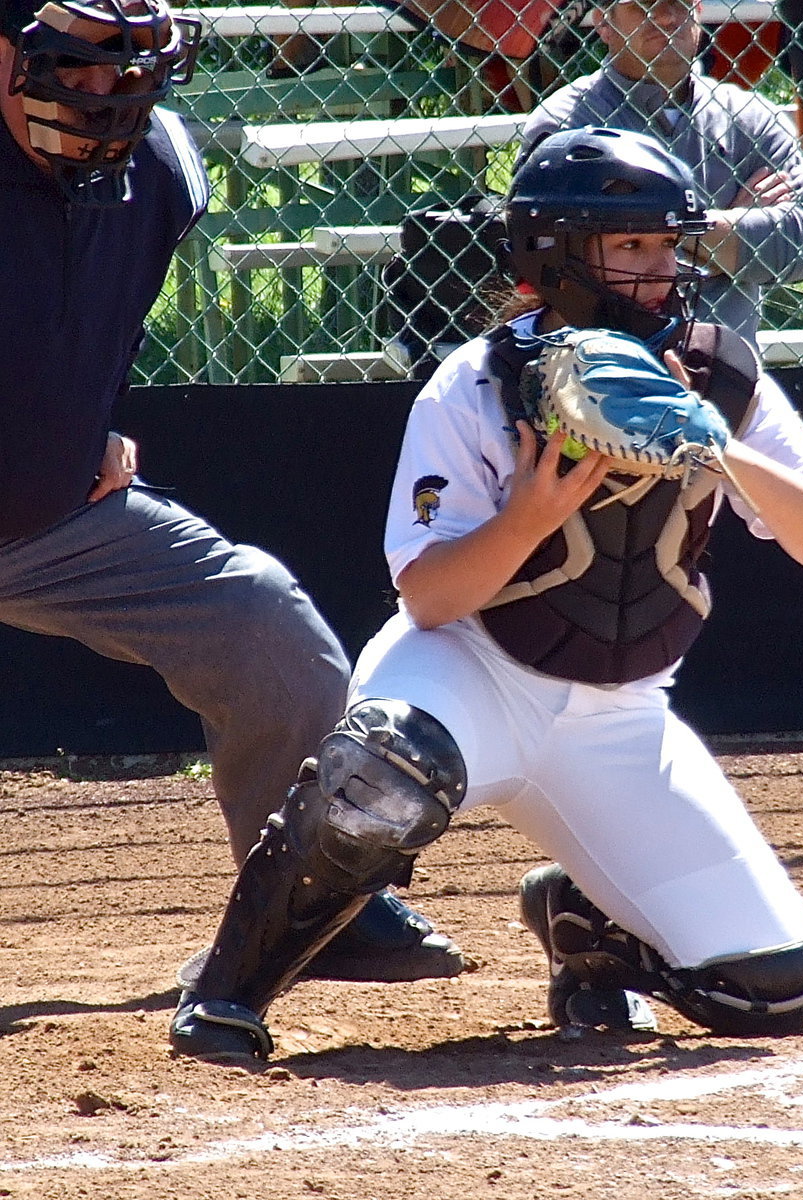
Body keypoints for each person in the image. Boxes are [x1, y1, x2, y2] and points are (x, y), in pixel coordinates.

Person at [169, 125, 803, 1061]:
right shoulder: (480, 383)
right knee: (381, 771)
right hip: (469, 672)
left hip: (620, 718)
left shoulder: (720, 378)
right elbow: (429, 598)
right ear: (557, 257)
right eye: (631, 247)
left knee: (774, 988)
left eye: (669, 243)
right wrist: (530, 515)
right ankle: (227, 995)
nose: (662, 270)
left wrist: (719, 445)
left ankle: (592, 929)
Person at [0, 0, 465, 988]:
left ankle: (314, 905)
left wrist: (91, 422)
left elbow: (95, 316)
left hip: (44, 522)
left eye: (126, 73)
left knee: (263, 626)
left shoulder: (156, 173)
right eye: (74, 71)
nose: (103, 100)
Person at [519, 0, 803, 346]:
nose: (666, 17)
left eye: (679, 4)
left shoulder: (749, 118)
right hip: (598, 363)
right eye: (642, 7)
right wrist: (729, 232)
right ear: (603, 23)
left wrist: (635, 233)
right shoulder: (567, 124)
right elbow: (550, 255)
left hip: (723, 372)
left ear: (698, 13)